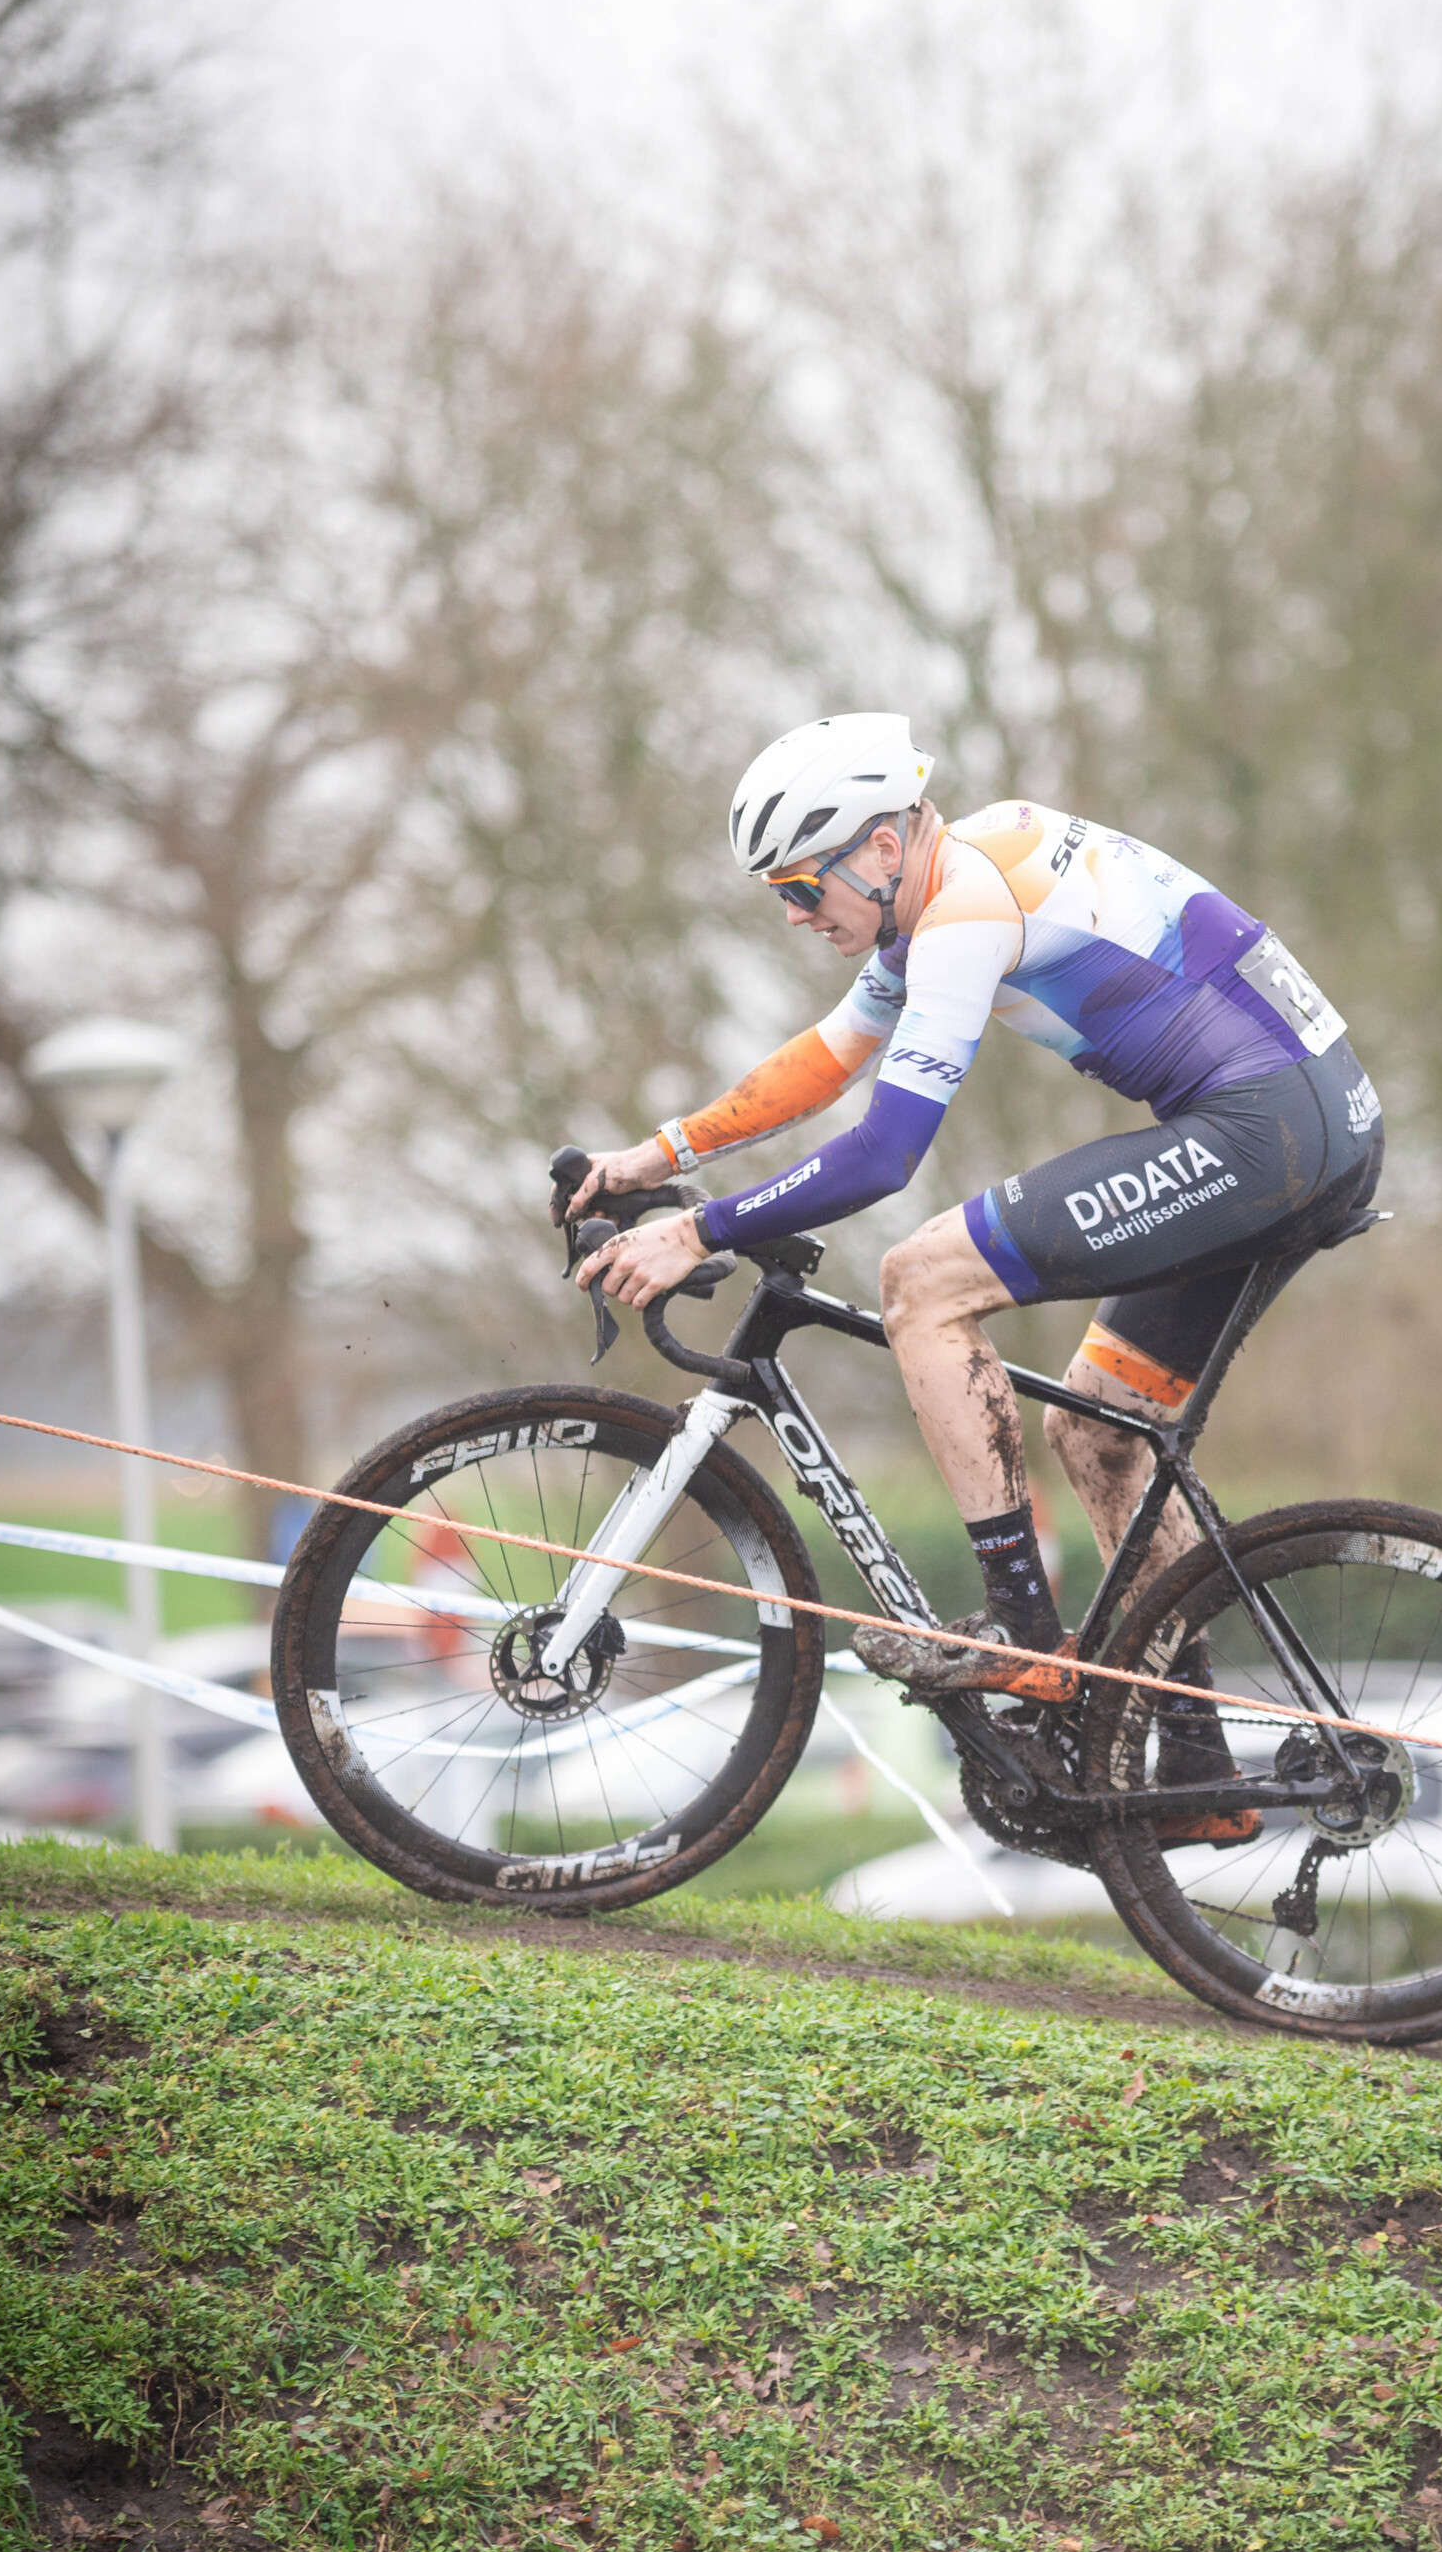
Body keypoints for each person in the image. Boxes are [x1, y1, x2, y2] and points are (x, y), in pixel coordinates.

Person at [567, 714, 1383, 1773]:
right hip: (1301, 1125)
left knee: (922, 1281)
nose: (792, 914)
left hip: (1264, 1132)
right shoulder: (945, 886)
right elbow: (824, 1062)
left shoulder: (963, 910)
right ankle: (1193, 1758)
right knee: (1100, 1437)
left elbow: (882, 1155)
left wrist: (699, 1227)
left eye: (801, 887)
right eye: (775, 895)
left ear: (879, 847)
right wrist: (653, 1156)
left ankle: (1021, 1629)